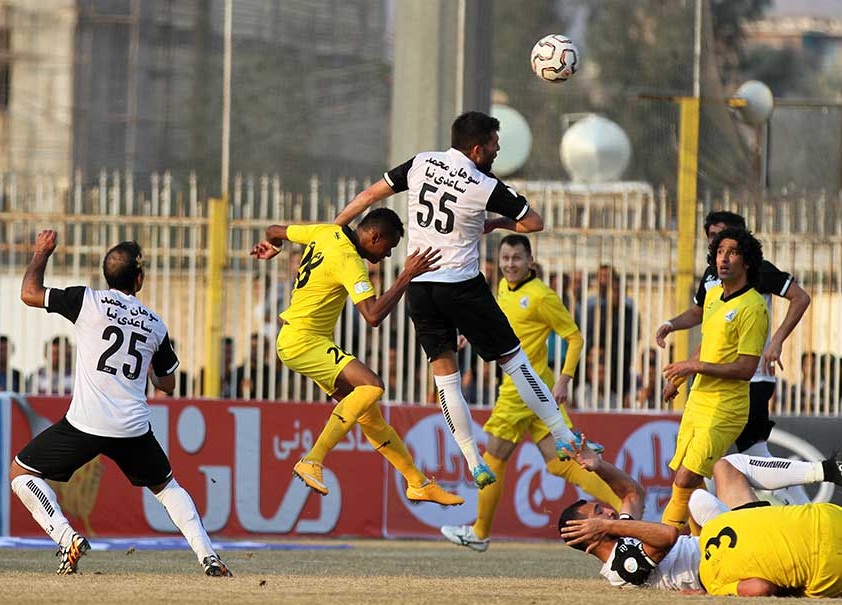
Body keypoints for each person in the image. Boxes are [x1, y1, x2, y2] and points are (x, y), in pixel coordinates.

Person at [334, 110, 587, 488]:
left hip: (419, 286)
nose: (498, 151)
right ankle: (566, 437)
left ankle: (472, 461)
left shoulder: (421, 163)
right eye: (494, 146)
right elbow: (534, 223)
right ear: (477, 148)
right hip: (462, 285)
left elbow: (370, 195)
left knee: (446, 379)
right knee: (517, 364)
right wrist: (495, 222)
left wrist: (335, 228)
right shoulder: (485, 184)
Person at [10, 231, 231, 576]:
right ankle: (208, 556)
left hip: (85, 423)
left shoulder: (88, 301)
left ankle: (67, 537)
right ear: (139, 279)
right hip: (131, 427)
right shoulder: (154, 324)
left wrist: (41, 253)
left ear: (105, 275)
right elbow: (168, 384)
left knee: (20, 473)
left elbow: (29, 294)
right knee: (168, 488)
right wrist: (152, 372)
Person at [250, 208, 462, 506]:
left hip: (301, 340)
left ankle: (418, 483)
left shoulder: (324, 230)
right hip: (303, 341)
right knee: (372, 386)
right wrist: (407, 276)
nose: (386, 255)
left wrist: (274, 246)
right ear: (374, 236)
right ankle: (313, 460)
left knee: (368, 415)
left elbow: (274, 228)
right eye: (388, 247)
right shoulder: (349, 260)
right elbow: (373, 315)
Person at [441, 235, 614, 552]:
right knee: (560, 461)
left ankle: (480, 533)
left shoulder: (541, 296)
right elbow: (499, 323)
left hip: (522, 391)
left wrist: (565, 379)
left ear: (530, 261)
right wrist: (468, 333)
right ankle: (625, 504)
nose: (510, 264)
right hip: (535, 390)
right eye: (505, 258)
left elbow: (574, 338)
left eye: (516, 258)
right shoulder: (504, 288)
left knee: (493, 455)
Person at [558, 439, 842, 592]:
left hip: (719, 536)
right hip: (725, 561)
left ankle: (829, 471)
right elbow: (668, 535)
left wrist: (598, 465)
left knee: (723, 469)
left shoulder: (618, 530)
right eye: (598, 513)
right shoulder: (621, 569)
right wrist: (611, 524)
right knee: (710, 477)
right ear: (590, 540)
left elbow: (632, 493)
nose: (607, 510)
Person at [656, 210, 811, 458]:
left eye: (723, 237)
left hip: (751, 378)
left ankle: (814, 474)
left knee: (744, 454)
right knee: (716, 459)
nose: (717, 244)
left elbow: (801, 297)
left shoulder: (755, 274)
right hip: (714, 381)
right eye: (713, 239)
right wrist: (671, 327)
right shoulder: (712, 279)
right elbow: (706, 326)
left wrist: (777, 341)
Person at [658, 227, 769, 531]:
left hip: (726, 408)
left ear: (746, 260)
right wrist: (679, 379)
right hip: (699, 402)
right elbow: (705, 345)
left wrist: (693, 369)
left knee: (685, 479)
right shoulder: (712, 296)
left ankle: (653, 548)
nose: (724, 258)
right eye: (720, 252)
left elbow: (746, 368)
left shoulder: (754, 307)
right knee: (688, 480)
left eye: (732, 252)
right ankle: (701, 551)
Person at [585, 265, 638, 406]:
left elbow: (632, 338)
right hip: (603, 358)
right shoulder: (597, 309)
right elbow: (593, 335)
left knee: (618, 393)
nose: (614, 295)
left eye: (617, 291)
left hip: (620, 361)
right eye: (612, 291)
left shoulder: (628, 311)